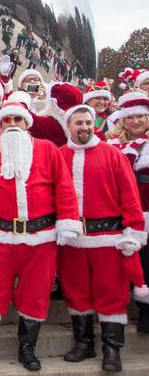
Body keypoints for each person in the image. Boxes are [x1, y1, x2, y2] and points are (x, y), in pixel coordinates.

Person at [0, 99, 81, 371]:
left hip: (41, 238)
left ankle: (27, 348)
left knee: (35, 293)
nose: (12, 125)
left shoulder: (48, 150)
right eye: (7, 120)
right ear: (0, 124)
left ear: (27, 123)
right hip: (1, 237)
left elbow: (64, 188)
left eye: (18, 120)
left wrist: (67, 222)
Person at [57, 104, 146, 372]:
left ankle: (112, 348)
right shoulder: (59, 156)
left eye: (88, 122)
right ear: (68, 126)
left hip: (108, 237)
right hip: (73, 240)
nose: (84, 127)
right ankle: (84, 342)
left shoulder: (112, 155)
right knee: (76, 292)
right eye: (78, 123)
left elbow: (130, 196)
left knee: (111, 293)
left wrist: (133, 230)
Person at [106, 91, 149, 332]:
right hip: (119, 214)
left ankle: (145, 312)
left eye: (140, 117)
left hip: (147, 211)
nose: (135, 121)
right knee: (124, 264)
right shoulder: (112, 145)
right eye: (130, 117)